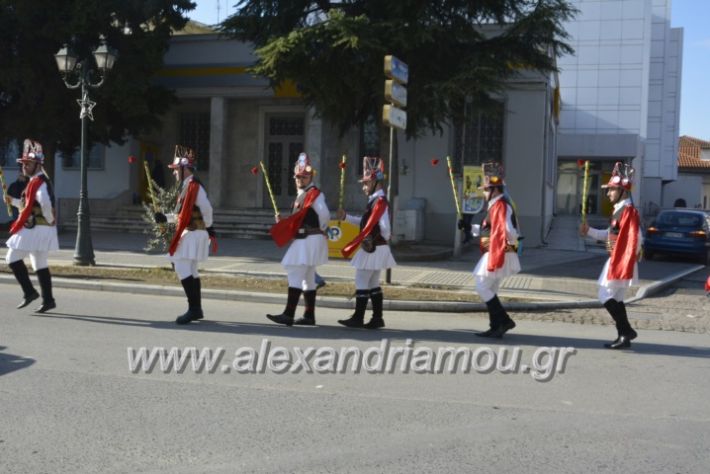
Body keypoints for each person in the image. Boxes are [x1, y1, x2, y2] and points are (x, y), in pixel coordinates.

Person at [579, 162, 642, 349]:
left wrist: (629, 258)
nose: (608, 194)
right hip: (618, 259)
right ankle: (624, 335)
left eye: (612, 190)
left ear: (622, 191)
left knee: (604, 294)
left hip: (620, 261)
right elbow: (609, 235)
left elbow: (637, 237)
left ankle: (627, 331)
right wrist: (589, 230)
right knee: (617, 298)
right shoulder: (620, 210)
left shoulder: (628, 211)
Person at [267, 153, 330, 326]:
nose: (300, 179)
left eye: (304, 177)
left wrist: (321, 230)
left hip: (308, 238)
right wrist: (284, 222)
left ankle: (288, 314)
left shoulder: (314, 194)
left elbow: (324, 215)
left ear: (311, 177)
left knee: (294, 272)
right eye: (298, 177)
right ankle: (309, 316)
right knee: (308, 277)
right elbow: (299, 218)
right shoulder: (303, 194)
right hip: (306, 238)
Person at [154, 146, 215, 325]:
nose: (174, 174)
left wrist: (209, 227)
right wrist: (164, 217)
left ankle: (194, 308)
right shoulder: (187, 187)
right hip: (192, 232)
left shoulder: (194, 187)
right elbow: (181, 215)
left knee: (181, 266)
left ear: (184, 168)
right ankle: (196, 309)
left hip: (195, 232)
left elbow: (207, 209)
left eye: (175, 170)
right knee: (191, 270)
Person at [458, 162, 520, 338]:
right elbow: (489, 230)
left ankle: (505, 320)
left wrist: (507, 244)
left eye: (486, 189)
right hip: (497, 250)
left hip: (499, 251)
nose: (483, 193)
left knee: (481, 286)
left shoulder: (501, 205)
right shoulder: (495, 206)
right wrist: (469, 228)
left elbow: (508, 230)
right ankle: (496, 326)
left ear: (495, 190)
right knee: (490, 288)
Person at [337, 156, 396, 329]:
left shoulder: (379, 202)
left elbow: (385, 228)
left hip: (373, 248)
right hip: (377, 248)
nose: (363, 187)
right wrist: (346, 217)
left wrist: (378, 239)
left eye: (366, 183)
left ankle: (358, 317)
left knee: (361, 280)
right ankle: (377, 318)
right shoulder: (376, 201)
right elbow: (365, 223)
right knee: (373, 283)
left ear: (376, 183)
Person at [4, 139, 59, 313]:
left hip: (37, 228)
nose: (24, 166)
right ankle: (48, 300)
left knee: (11, 258)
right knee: (39, 263)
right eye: (24, 163)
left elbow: (45, 204)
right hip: (42, 228)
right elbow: (27, 206)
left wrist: (50, 219)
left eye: (28, 163)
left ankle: (30, 292)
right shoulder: (35, 182)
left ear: (37, 164)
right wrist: (12, 201)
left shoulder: (39, 182)